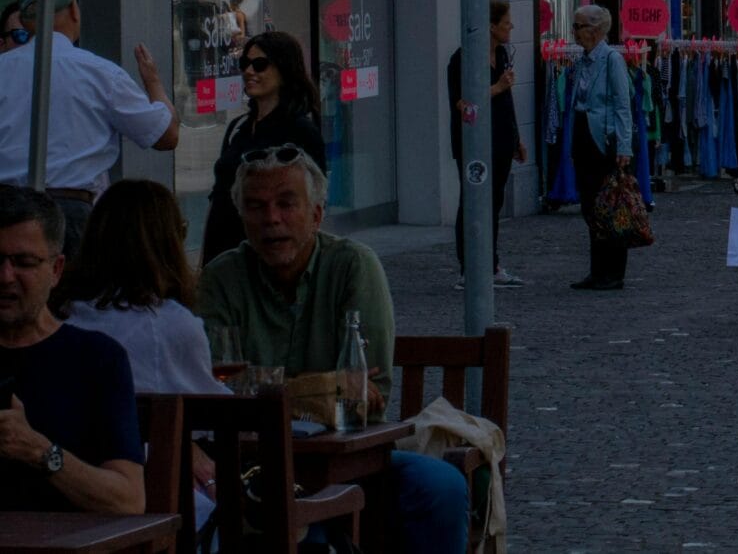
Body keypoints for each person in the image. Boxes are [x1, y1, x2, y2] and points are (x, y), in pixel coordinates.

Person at [199, 149, 470, 552]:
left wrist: (271, 391)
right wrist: (325, 389)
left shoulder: (353, 266)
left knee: (441, 486)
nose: (271, 219)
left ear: (317, 214)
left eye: (286, 204)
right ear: (242, 217)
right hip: (251, 464)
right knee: (293, 525)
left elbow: (367, 397)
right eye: (256, 207)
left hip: (350, 462)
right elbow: (217, 397)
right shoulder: (221, 277)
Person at [61, 180, 226, 518]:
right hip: (154, 490)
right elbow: (211, 412)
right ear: (169, 243)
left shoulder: (64, 314)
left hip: (78, 485)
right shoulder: (168, 323)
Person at [0, 0, 179, 262]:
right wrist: (154, 83)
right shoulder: (99, 73)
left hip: (6, 211)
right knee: (76, 302)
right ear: (73, 9)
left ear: (24, 19)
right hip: (70, 214)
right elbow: (165, 135)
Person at [0, 185, 145, 514]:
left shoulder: (95, 359)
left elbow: (128, 498)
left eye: (23, 262)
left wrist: (39, 452)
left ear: (56, 270)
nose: (6, 276)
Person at [204, 28, 329, 266]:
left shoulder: (300, 131)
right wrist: (204, 262)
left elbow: (315, 201)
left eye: (260, 64)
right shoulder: (238, 127)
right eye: (245, 63)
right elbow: (218, 196)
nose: (249, 71)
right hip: (222, 252)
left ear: (283, 70)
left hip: (268, 253)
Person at [446, 4, 527, 287]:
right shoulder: (463, 60)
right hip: (474, 143)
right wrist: (497, 88)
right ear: (491, 26)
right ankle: (469, 268)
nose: (510, 28)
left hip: (502, 138)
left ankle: (490, 264)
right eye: (506, 23)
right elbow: (463, 104)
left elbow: (507, 102)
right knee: (472, 202)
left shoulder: (502, 54)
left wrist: (516, 138)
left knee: (493, 203)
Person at [565, 4, 636, 291]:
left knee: (611, 206)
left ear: (595, 30)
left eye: (579, 26)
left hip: (604, 139)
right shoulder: (582, 61)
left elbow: (622, 105)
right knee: (591, 206)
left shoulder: (611, 60)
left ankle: (613, 272)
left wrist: (624, 145)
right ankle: (597, 270)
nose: (575, 32)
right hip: (583, 134)